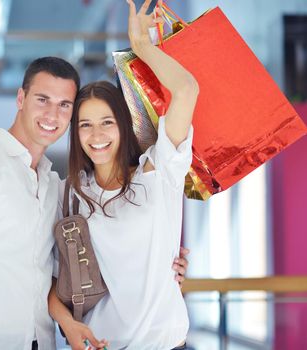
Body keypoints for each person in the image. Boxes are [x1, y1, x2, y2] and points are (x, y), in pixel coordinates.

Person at [0, 46, 189, 350]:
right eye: (42, 100)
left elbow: (50, 273)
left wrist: (165, 261)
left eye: (64, 104)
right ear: (21, 99)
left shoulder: (53, 187)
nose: (51, 114)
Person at [47, 1, 199, 349]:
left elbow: (187, 90)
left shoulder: (157, 172)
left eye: (107, 123)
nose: (96, 136)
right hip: (102, 343)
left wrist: (142, 47)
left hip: (165, 342)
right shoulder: (71, 194)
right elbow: (52, 281)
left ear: (123, 126)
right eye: (85, 125)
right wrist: (68, 323)